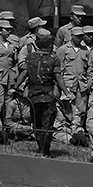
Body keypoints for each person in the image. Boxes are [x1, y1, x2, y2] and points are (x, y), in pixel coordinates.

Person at [15, 28, 67, 157]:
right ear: (49, 46)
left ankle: (40, 147)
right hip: (48, 95)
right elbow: (58, 78)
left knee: (36, 122)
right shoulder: (54, 59)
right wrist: (66, 91)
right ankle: (46, 150)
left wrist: (15, 86)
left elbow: (24, 73)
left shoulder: (30, 57)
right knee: (47, 123)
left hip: (33, 94)